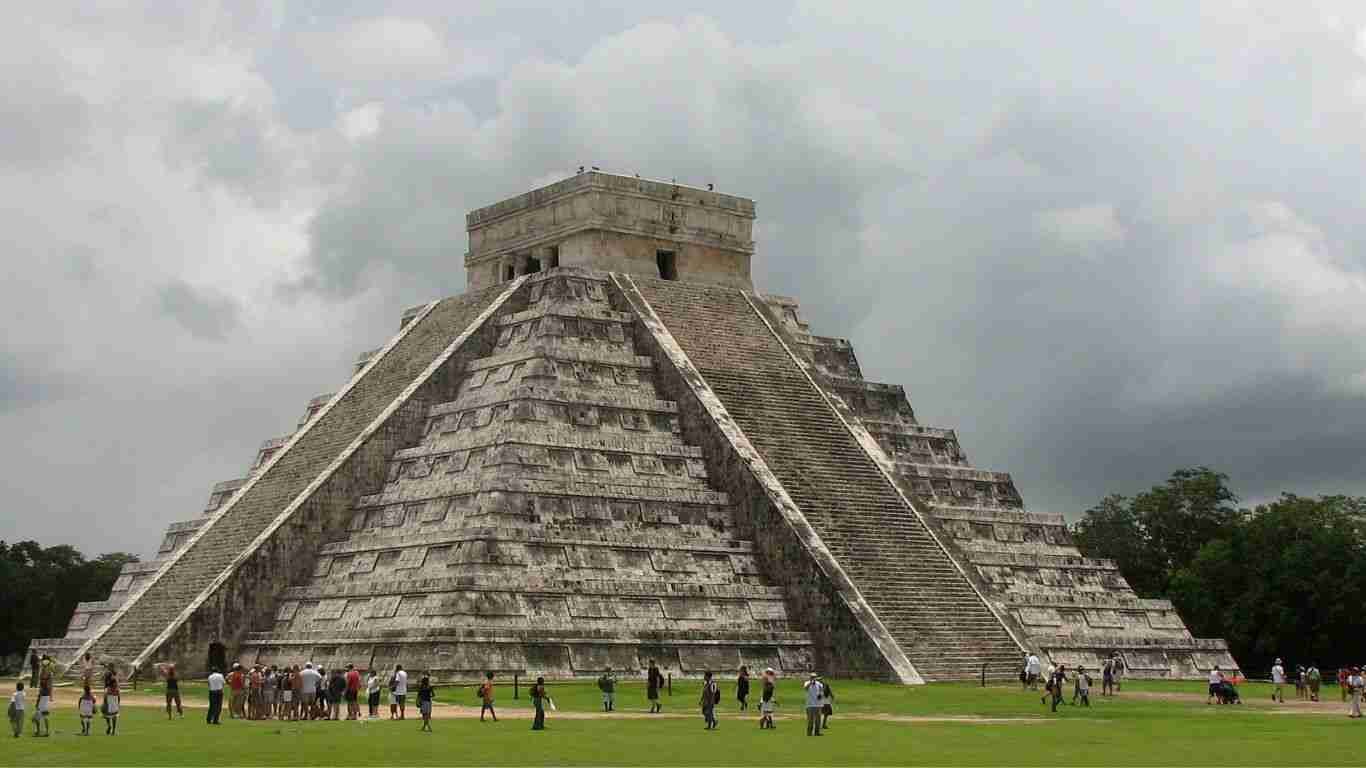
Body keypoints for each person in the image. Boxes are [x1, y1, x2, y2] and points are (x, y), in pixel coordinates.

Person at [33, 662, 51, 737]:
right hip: (46, 701)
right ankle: (47, 732)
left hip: (42, 702)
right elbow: (47, 678)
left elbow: (39, 696)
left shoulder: (42, 689)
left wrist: (37, 704)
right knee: (45, 717)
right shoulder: (48, 687)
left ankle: (38, 732)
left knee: (37, 718)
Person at [103, 668, 120, 735]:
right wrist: (118, 703)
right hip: (113, 700)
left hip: (109, 700)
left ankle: (110, 727)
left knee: (107, 715)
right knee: (114, 716)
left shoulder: (108, 687)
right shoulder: (114, 686)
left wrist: (104, 703)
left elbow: (105, 696)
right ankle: (112, 729)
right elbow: (118, 695)